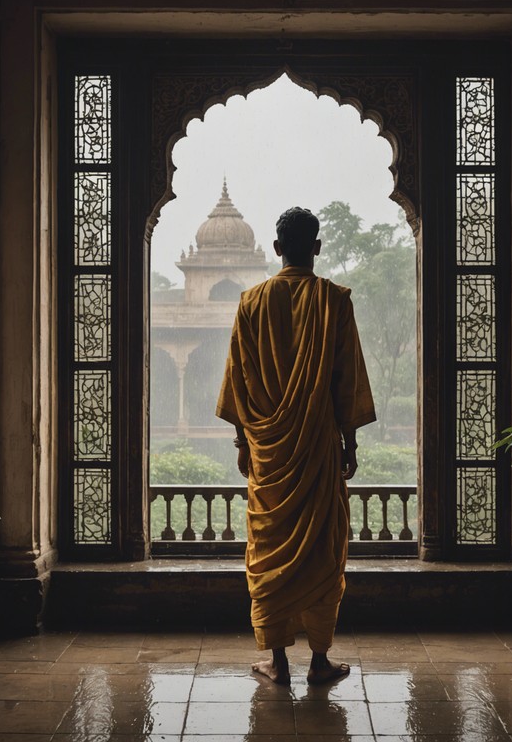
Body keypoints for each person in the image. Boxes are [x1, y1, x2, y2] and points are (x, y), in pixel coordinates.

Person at [216, 206, 376, 685]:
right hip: (318, 449)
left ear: (278, 247)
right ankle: (320, 661)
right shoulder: (334, 301)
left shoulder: (250, 303)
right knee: (323, 550)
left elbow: (238, 382)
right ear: (318, 247)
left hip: (269, 454)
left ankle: (279, 663)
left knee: (269, 550)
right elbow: (346, 383)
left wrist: (244, 440)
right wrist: (349, 443)